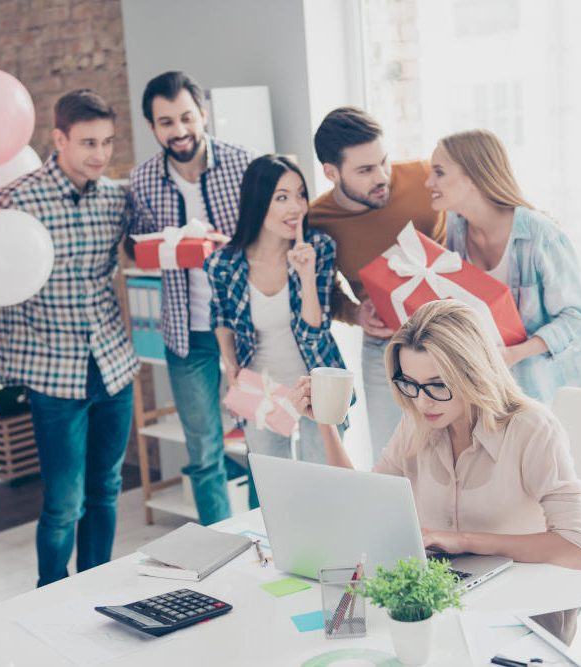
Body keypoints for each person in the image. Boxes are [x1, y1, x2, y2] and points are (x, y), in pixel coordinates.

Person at [0, 89, 137, 587]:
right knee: (64, 502)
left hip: (113, 365)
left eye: (108, 143)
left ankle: (95, 588)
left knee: (106, 488)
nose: (100, 154)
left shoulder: (117, 199)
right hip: (52, 372)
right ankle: (50, 595)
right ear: (60, 139)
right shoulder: (15, 200)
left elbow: (144, 254)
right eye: (88, 142)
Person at [292, 300, 581, 570]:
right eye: (410, 383)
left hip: (519, 602)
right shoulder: (417, 422)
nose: (422, 402)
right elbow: (362, 505)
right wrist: (326, 422)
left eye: (438, 385)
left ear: (473, 373)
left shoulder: (532, 429)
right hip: (444, 596)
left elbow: (576, 548)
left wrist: (464, 541)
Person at [126, 71, 254, 526]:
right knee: (203, 450)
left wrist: (232, 245)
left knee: (261, 442)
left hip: (246, 330)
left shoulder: (243, 165)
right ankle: (224, 546)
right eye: (165, 122)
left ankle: (271, 540)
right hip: (186, 334)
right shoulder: (142, 181)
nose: (178, 131)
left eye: (185, 117)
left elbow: (268, 234)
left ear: (203, 113)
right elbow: (133, 247)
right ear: (152, 127)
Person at [309, 107, 445, 464]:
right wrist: (355, 313)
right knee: (393, 456)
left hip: (447, 338)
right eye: (365, 170)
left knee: (452, 454)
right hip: (386, 346)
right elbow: (326, 291)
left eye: (383, 162)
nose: (382, 176)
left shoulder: (422, 178)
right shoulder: (319, 219)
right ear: (331, 172)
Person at [426, 129, 581, 404]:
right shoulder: (455, 230)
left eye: (439, 172)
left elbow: (576, 318)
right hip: (497, 392)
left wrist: (514, 354)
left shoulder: (539, 234)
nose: (428, 182)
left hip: (556, 392)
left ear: (472, 176)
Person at [205, 155, 347, 473]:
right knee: (274, 481)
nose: (296, 207)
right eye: (282, 197)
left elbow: (316, 329)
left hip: (315, 382)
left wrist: (306, 274)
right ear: (257, 202)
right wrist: (230, 365)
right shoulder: (223, 264)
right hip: (261, 386)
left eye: (300, 195)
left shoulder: (318, 248)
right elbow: (221, 317)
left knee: (325, 482)